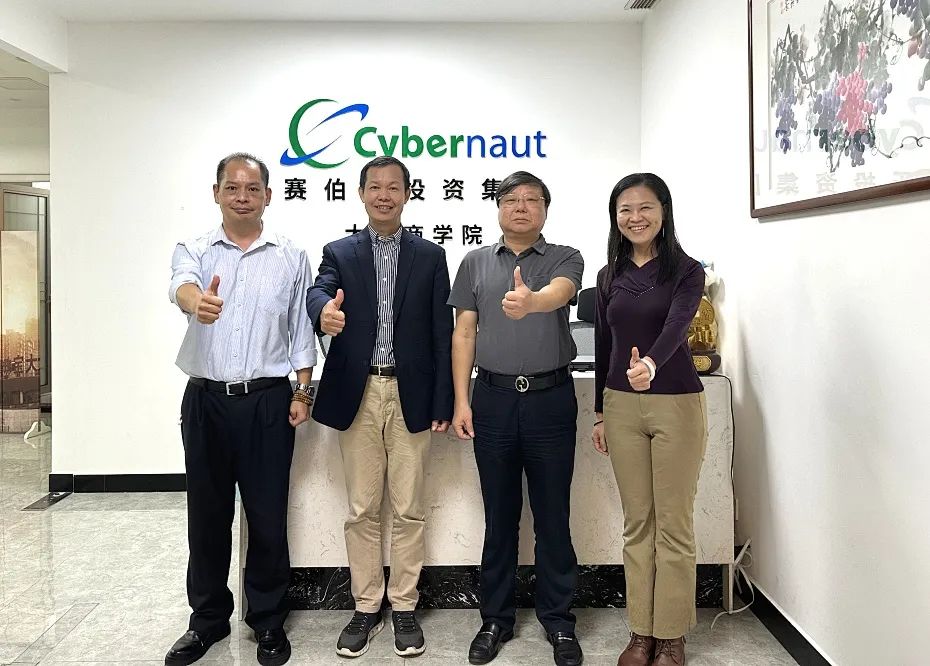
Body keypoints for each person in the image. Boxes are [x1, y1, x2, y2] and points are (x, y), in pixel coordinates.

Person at [166, 152, 316, 666]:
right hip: (206, 400)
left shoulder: (291, 255)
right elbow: (180, 285)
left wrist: (302, 392)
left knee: (268, 516)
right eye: (232, 188)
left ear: (268, 196)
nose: (242, 197)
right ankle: (207, 620)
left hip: (269, 402)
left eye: (253, 189)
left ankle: (268, 620)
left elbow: (300, 328)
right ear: (217, 194)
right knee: (207, 516)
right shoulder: (195, 248)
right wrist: (196, 303)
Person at [306, 156, 453, 658]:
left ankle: (405, 606)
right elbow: (319, 291)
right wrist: (322, 312)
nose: (384, 195)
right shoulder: (339, 252)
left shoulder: (430, 256)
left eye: (394, 187)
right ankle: (367, 606)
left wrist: (442, 400)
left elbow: (441, 333)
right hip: (360, 393)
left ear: (407, 194)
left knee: (409, 508)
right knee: (362, 509)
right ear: (362, 193)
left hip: (412, 394)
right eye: (375, 187)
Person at [449, 171, 584, 666]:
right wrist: (461, 401)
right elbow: (464, 333)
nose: (521, 207)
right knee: (499, 516)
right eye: (511, 199)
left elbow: (561, 293)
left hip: (551, 400)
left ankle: (559, 621)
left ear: (545, 209)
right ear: (498, 207)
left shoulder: (565, 256)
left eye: (532, 199)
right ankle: (495, 620)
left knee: (553, 516)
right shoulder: (475, 262)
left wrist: (532, 302)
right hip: (493, 399)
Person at [591, 173, 707, 666]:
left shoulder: (687, 271)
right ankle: (641, 632)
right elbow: (605, 344)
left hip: (675, 401)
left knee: (673, 525)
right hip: (621, 406)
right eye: (625, 209)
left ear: (664, 211)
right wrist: (600, 411)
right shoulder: (608, 275)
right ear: (615, 217)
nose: (635, 217)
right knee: (638, 523)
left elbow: (678, 325)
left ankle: (672, 635)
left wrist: (652, 365)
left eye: (645, 208)